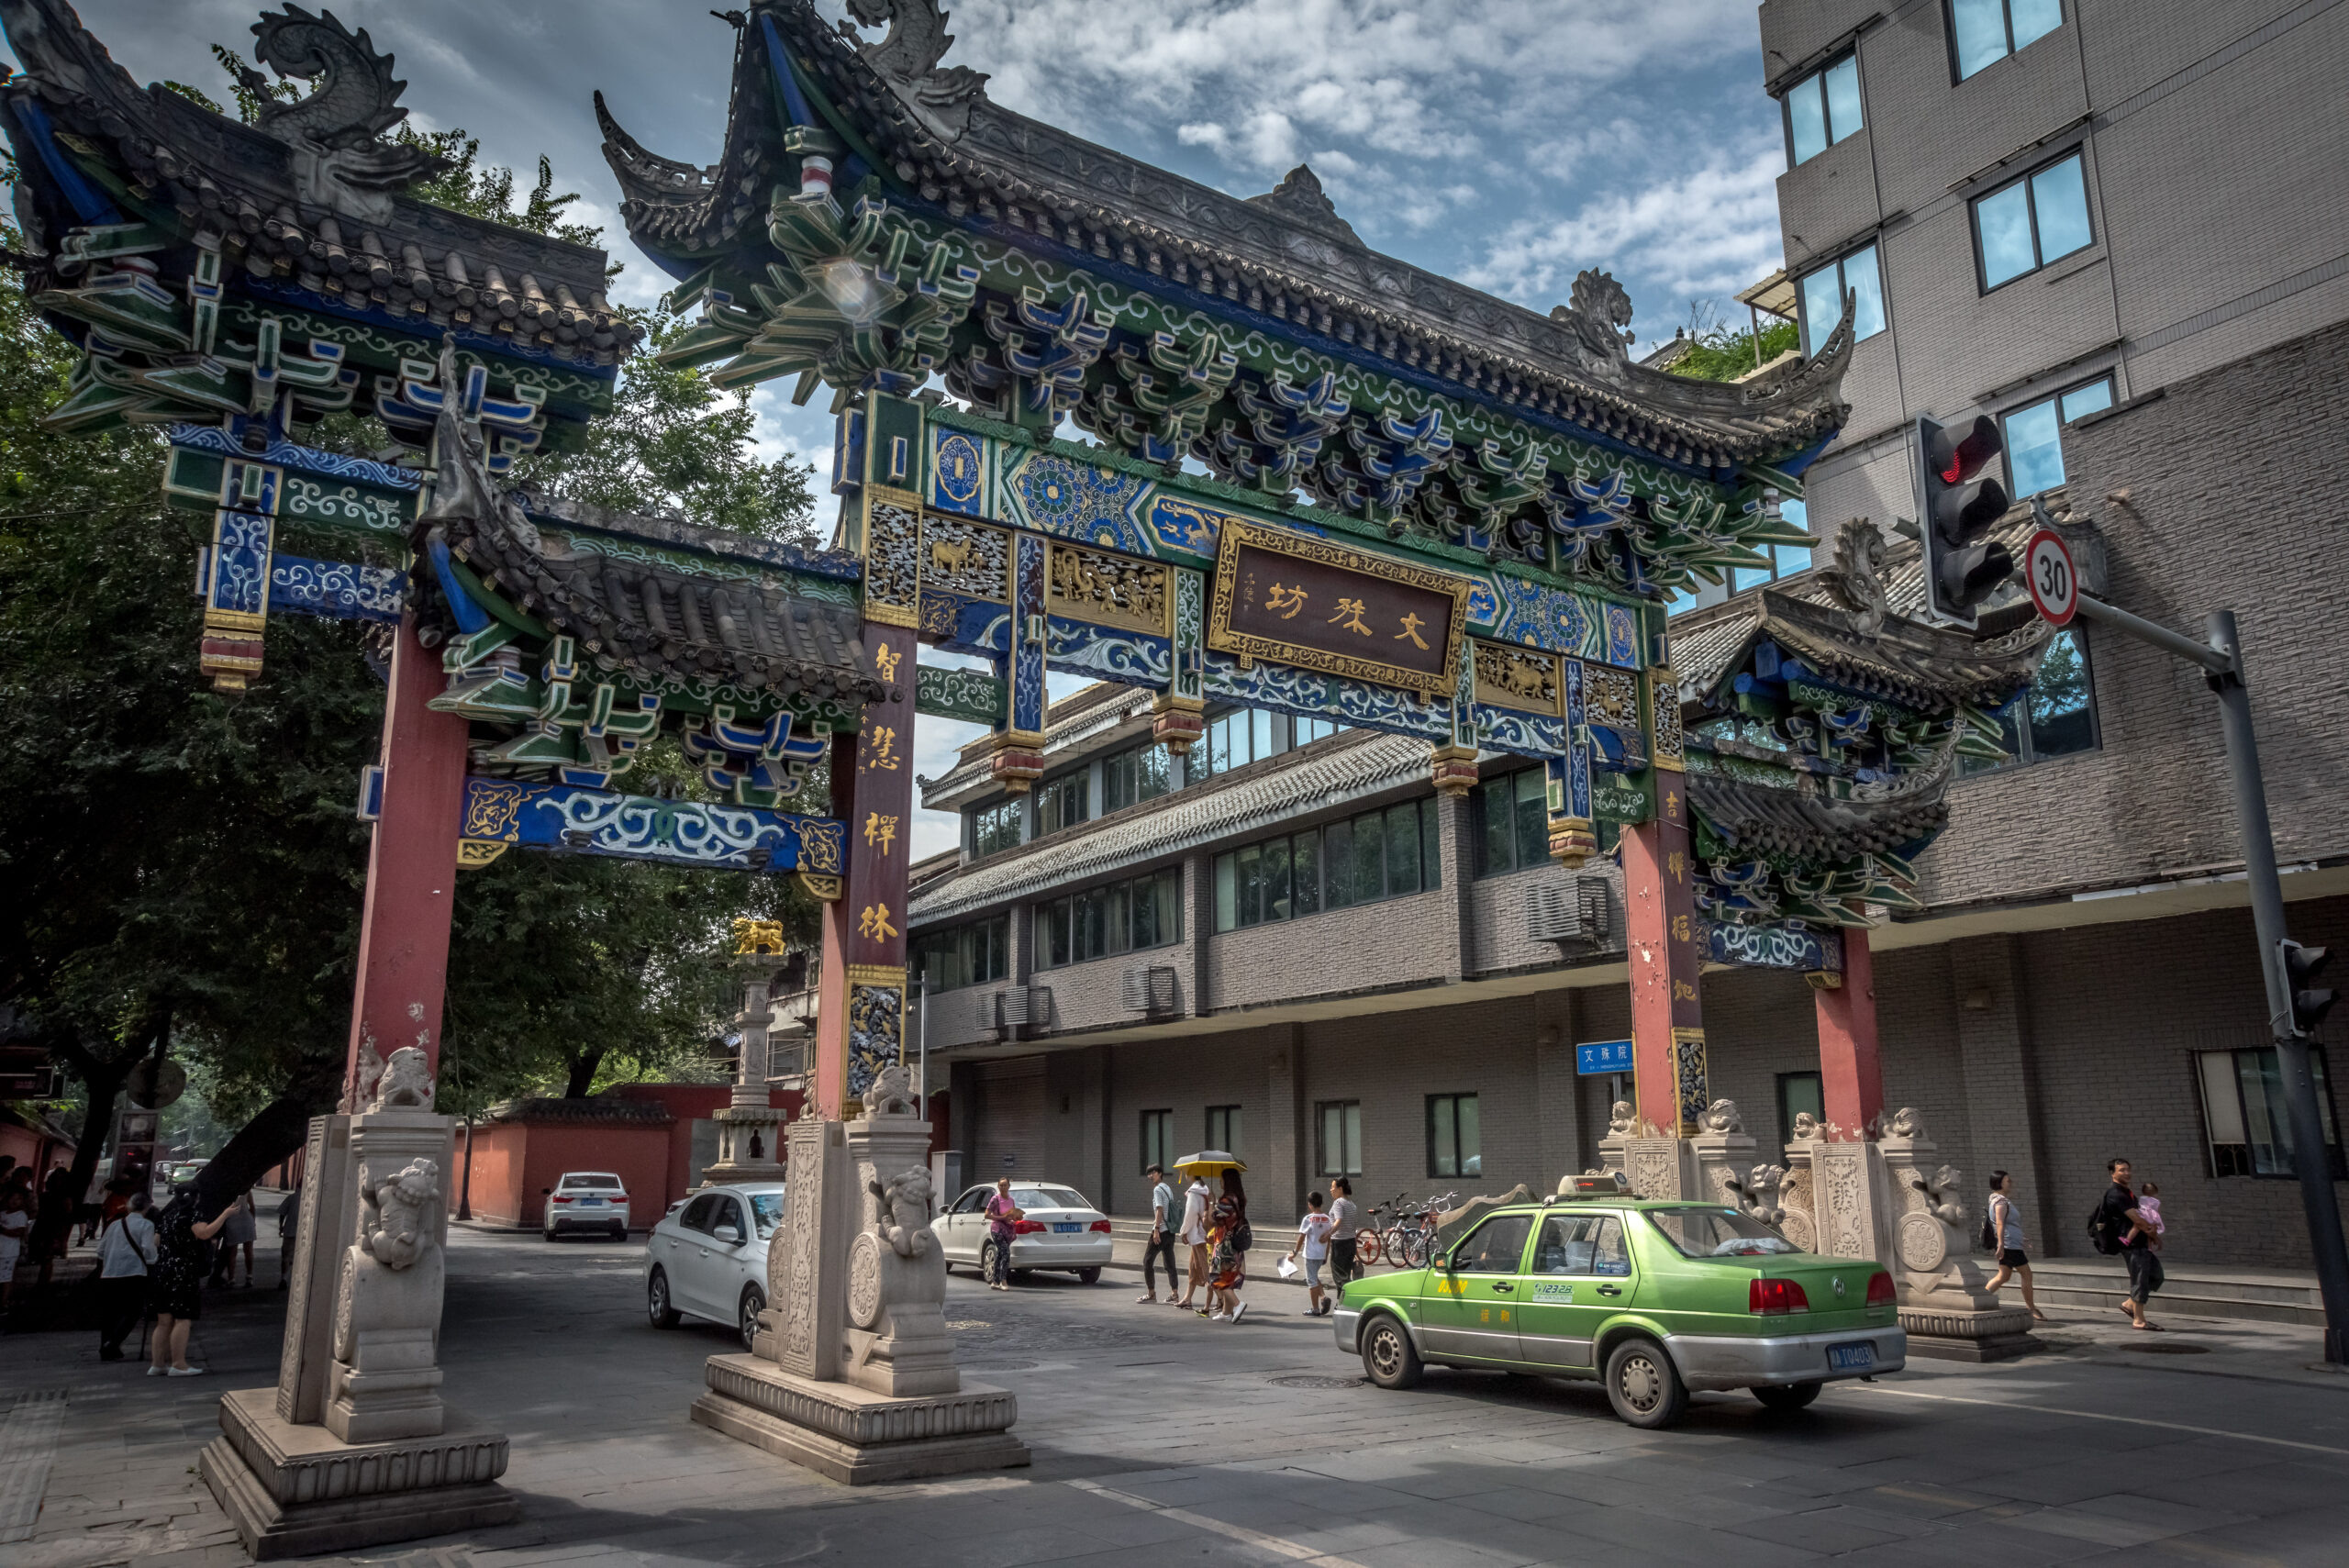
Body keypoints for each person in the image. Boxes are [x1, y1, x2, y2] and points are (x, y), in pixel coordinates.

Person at [149, 1193, 236, 1376]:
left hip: (163, 1270)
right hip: (183, 1271)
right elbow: (204, 1233)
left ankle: (157, 1364)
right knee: (183, 1318)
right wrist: (225, 1214)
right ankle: (178, 1363)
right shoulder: (194, 1215)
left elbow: (156, 1240)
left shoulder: (167, 1216)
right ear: (196, 1198)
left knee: (163, 1321)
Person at [2097, 1157, 2163, 1330]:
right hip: (2132, 1245)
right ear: (2112, 1173)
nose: (2127, 1173)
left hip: (2141, 1243)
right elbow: (2137, 1220)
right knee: (2140, 1279)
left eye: (2128, 1169)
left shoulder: (2127, 1193)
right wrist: (2155, 1236)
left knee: (2156, 1276)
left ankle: (2128, 1304)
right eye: (2122, 1170)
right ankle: (2139, 1320)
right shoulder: (2116, 1194)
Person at [95, 1191, 158, 1361]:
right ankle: (113, 1343)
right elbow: (148, 1249)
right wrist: (153, 1262)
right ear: (147, 1207)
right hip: (134, 1272)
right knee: (133, 1311)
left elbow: (100, 1250)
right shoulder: (146, 1225)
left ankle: (106, 1345)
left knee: (110, 1313)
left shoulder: (114, 1225)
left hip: (110, 1273)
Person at [1980, 1172, 2047, 1323]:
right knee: (2026, 1274)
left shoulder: (1998, 1200)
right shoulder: (2000, 1201)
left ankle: (1980, 1299)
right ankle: (2031, 1308)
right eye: (2008, 1181)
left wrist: (2019, 1238)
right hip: (2009, 1245)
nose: (2011, 1183)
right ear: (1999, 1183)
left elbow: (2007, 1224)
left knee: (2003, 1276)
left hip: (2010, 1243)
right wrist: (2001, 1245)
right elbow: (2000, 1223)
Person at [1202, 1169, 1250, 1323]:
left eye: (1221, 1179)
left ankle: (1237, 1304)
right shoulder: (1239, 1199)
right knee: (1229, 1278)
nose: (1220, 1182)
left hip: (1224, 1244)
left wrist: (1211, 1202)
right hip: (1235, 1243)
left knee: (1215, 1277)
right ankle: (1226, 1312)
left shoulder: (1226, 1201)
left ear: (1227, 1181)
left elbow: (1212, 1220)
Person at [1288, 1190, 1336, 1317]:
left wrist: (1294, 1252)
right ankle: (1323, 1297)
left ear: (1310, 1204)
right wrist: (1326, 1255)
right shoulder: (1327, 1219)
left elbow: (1302, 1237)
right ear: (1321, 1203)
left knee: (1311, 1282)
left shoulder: (1308, 1219)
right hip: (1321, 1255)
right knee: (1313, 1277)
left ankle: (1315, 1309)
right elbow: (1329, 1239)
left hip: (1310, 1255)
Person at [1137, 1164, 1178, 1304]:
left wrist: (1156, 1230)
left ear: (1160, 1173)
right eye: (1149, 1174)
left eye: (1153, 1173)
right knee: (1170, 1263)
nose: (1150, 1176)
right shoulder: (1167, 1188)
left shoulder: (1157, 1189)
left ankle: (1151, 1294)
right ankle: (1175, 1294)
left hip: (1161, 1231)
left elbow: (1159, 1210)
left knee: (1147, 1261)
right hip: (1170, 1231)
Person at [1174, 1167, 1211, 1310]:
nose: (1185, 1175)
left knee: (1205, 1269)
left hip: (1197, 1235)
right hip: (1202, 1233)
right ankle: (1187, 1298)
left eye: (1186, 1173)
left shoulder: (1194, 1192)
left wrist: (1183, 1232)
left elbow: (1190, 1214)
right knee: (1193, 1267)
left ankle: (1222, 1298)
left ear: (1192, 1175)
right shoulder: (1204, 1189)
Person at [982, 1176, 1022, 1292]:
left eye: (1005, 1185)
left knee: (1000, 1254)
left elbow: (1011, 1216)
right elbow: (987, 1214)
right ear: (998, 1186)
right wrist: (1002, 1218)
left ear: (1009, 1186)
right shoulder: (995, 1199)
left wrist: (1014, 1220)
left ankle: (995, 1281)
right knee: (1006, 1253)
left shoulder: (1011, 1200)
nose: (1003, 1187)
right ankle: (1003, 1281)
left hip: (1008, 1231)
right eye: (1001, 1185)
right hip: (997, 1230)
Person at [211, 1191, 258, 1288]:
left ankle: (231, 1279)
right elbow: (252, 1207)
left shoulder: (227, 1191)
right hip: (246, 1220)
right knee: (248, 1251)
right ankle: (249, 1277)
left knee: (232, 1253)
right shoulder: (247, 1190)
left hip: (232, 1221)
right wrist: (253, 1221)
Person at [1326, 1177, 1361, 1292]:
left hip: (1339, 1243)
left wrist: (1328, 1234)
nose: (1331, 1190)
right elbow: (1354, 1225)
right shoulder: (1351, 1204)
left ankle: (1349, 1296)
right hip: (1350, 1242)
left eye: (1333, 1187)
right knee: (1345, 1273)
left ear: (1340, 1189)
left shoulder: (1338, 1202)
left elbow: (1338, 1221)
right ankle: (1342, 1299)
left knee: (1339, 1275)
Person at [0, 1185, 31, 1310]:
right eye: (12, 1198)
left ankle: (3, 1303)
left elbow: (19, 1232)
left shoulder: (21, 1216)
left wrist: (3, 1230)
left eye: (18, 1199)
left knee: (5, 1278)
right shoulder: (2, 1214)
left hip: (9, 1252)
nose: (14, 1201)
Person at [277, 1179, 301, 1291]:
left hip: (290, 1230)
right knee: (297, 1257)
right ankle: (290, 1278)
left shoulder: (291, 1198)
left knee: (286, 1256)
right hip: (301, 1232)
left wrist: (281, 1227)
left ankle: (284, 1278)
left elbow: (282, 1213)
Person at [2128, 1181, 2165, 1251]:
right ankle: (2150, 1247)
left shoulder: (2142, 1198)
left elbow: (2140, 1206)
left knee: (2137, 1227)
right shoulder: (2156, 1201)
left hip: (2143, 1215)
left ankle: (2128, 1239)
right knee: (2148, 1231)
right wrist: (2156, 1220)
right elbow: (2157, 1211)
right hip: (2151, 1217)